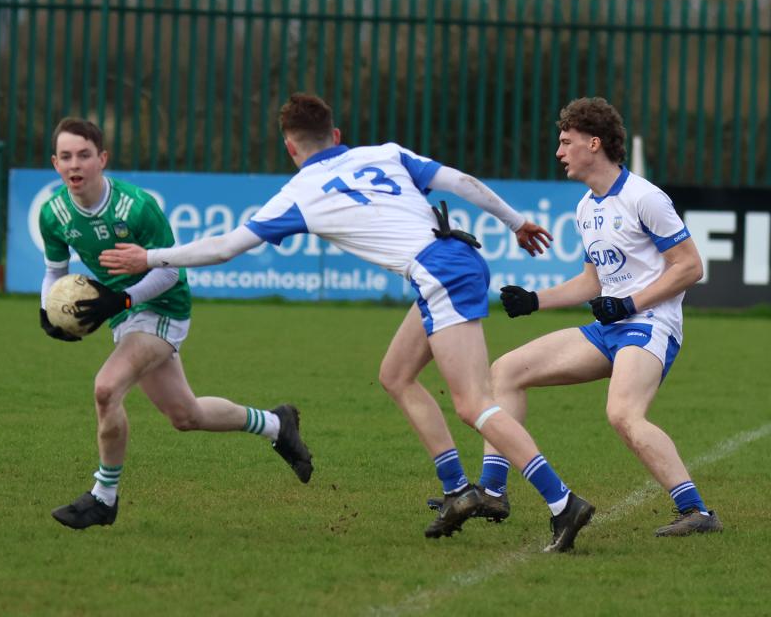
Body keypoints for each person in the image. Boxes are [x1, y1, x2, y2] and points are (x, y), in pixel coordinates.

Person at [101, 93, 596, 552]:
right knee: (397, 375)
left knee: (472, 403)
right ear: (335, 135)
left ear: (289, 145)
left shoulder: (299, 192)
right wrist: (515, 221)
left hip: (439, 274)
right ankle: (458, 490)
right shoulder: (384, 153)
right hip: (452, 259)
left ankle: (562, 502)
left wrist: (152, 256)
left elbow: (225, 247)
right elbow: (459, 182)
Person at [39, 117, 313, 530]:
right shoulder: (54, 213)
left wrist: (124, 297)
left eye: (84, 155)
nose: (74, 164)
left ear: (102, 159)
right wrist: (48, 311)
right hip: (125, 313)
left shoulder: (137, 207)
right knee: (185, 415)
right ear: (55, 163)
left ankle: (103, 497)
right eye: (65, 157)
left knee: (106, 388)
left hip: (163, 305)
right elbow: (54, 273)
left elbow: (169, 270)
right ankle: (277, 424)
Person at [488, 97, 722, 537]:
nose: (559, 152)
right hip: (608, 329)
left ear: (593, 143)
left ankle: (698, 512)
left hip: (651, 327)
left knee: (622, 414)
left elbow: (690, 266)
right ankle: (492, 491)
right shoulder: (585, 208)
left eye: (565, 141)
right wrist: (533, 300)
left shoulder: (645, 197)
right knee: (505, 371)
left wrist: (630, 304)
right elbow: (592, 284)